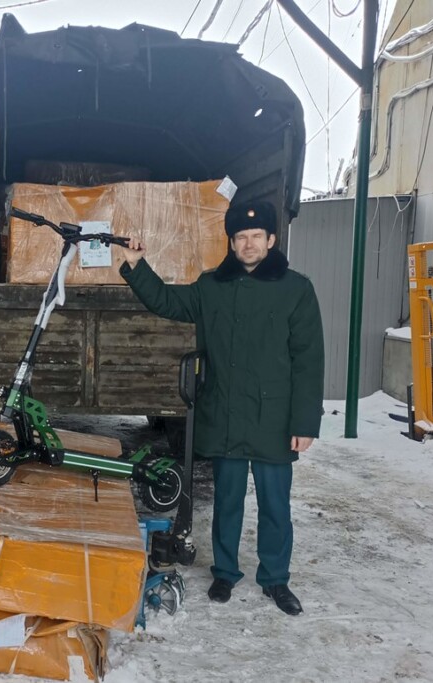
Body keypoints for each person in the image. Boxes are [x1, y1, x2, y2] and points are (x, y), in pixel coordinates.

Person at [118, 201, 324, 616]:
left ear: (271, 240)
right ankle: (225, 573)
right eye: (240, 237)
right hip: (226, 413)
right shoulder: (211, 286)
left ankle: (276, 578)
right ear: (231, 243)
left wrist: (305, 423)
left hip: (274, 419)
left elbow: (309, 361)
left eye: (256, 236)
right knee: (227, 502)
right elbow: (167, 302)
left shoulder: (296, 289)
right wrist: (137, 265)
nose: (248, 244)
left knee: (275, 506)